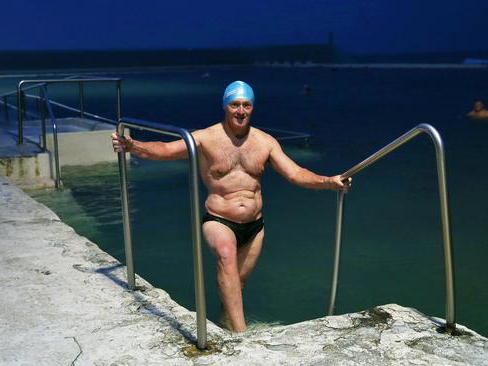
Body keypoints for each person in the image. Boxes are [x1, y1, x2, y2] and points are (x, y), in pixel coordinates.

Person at [111, 81, 351, 332]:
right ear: (225, 106)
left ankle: (225, 322)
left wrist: (329, 182)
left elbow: (295, 173)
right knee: (226, 258)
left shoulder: (265, 142)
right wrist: (133, 146)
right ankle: (242, 336)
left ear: (252, 108)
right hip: (219, 220)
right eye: (235, 104)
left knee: (237, 283)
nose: (241, 111)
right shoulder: (205, 138)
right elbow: (164, 150)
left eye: (246, 105)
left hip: (255, 227)